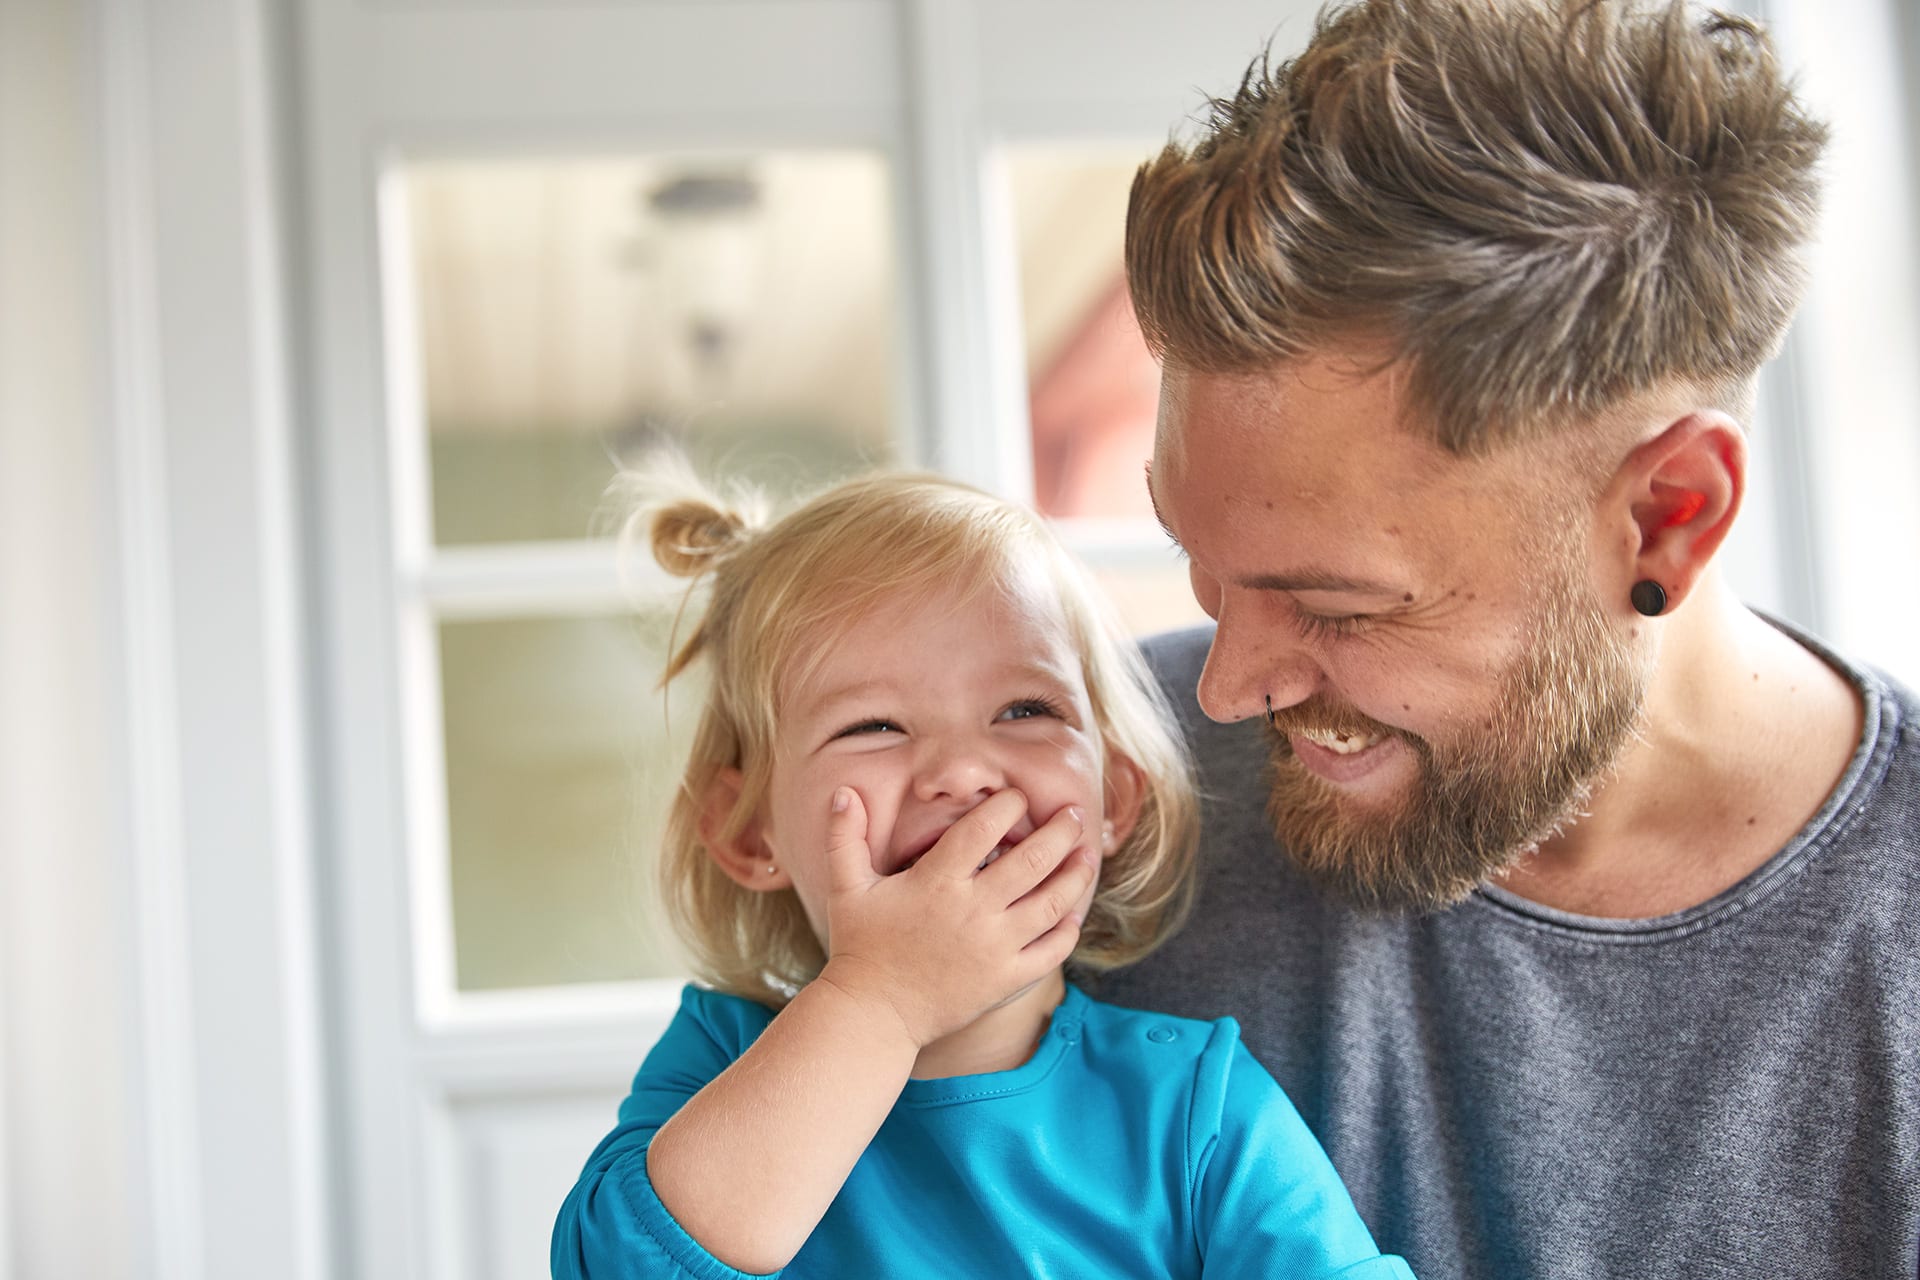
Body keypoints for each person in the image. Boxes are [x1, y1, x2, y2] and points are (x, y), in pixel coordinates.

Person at [1090, 0, 1920, 1276]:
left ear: (1668, 518)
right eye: (1202, 568)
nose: (1224, 688)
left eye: (1340, 605)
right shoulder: (1087, 804)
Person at [550, 469, 1417, 1278]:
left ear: (1113, 798)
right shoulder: (721, 1056)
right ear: (750, 836)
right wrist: (880, 1001)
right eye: (875, 726)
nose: (963, 772)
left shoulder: (1196, 1107)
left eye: (1024, 710)